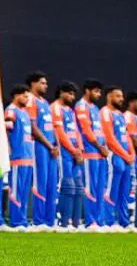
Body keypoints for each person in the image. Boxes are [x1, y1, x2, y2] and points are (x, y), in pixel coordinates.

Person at [24, 71, 58, 229]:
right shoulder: (30, 100)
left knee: (52, 184)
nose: (45, 86)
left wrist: (56, 144)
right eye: (42, 83)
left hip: (51, 147)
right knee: (40, 183)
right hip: (39, 146)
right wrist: (49, 145)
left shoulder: (44, 102)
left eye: (46, 83)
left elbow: (52, 127)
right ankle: (38, 220)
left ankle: (49, 221)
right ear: (33, 84)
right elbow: (33, 126)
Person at [75, 80, 108, 230]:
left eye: (100, 92)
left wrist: (105, 146)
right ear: (87, 91)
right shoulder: (81, 106)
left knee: (101, 188)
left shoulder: (95, 108)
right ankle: (90, 221)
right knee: (90, 188)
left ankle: (99, 221)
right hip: (90, 153)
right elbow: (86, 130)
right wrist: (99, 146)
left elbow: (100, 130)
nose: (98, 95)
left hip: (100, 153)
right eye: (96, 91)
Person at [101, 86, 135, 230]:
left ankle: (124, 221)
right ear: (109, 97)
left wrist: (132, 153)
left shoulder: (120, 115)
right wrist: (125, 155)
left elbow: (126, 136)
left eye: (121, 96)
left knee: (124, 191)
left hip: (126, 157)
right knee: (111, 190)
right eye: (118, 96)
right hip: (114, 155)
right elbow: (109, 138)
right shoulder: (105, 112)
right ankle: (108, 221)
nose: (121, 99)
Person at [51, 81, 84, 229]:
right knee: (67, 187)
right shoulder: (55, 108)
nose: (72, 96)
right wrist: (72, 150)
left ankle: (75, 223)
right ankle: (63, 222)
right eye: (69, 93)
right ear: (61, 93)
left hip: (75, 153)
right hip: (64, 153)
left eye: (74, 94)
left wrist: (80, 150)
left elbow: (76, 131)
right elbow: (60, 133)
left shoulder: (70, 111)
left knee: (78, 187)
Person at [5, 84, 35, 230]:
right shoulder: (11, 110)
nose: (26, 98)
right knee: (16, 190)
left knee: (24, 192)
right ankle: (16, 221)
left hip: (28, 157)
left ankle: (22, 220)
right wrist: (9, 149)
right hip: (17, 157)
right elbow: (6, 129)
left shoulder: (25, 113)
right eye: (24, 95)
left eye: (28, 96)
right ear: (16, 95)